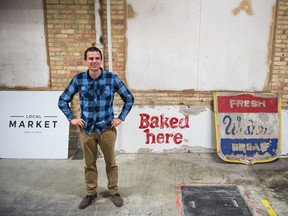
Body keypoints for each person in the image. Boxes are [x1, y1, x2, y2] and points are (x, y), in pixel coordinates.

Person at [58, 46, 134, 210]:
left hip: (106, 129)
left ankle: (113, 191)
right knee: (89, 164)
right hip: (86, 130)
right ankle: (91, 193)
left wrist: (120, 117)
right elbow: (63, 100)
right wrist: (71, 118)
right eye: (90, 58)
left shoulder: (111, 78)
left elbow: (129, 98)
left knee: (111, 162)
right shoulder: (79, 79)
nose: (94, 61)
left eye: (97, 58)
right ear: (86, 61)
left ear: (101, 60)